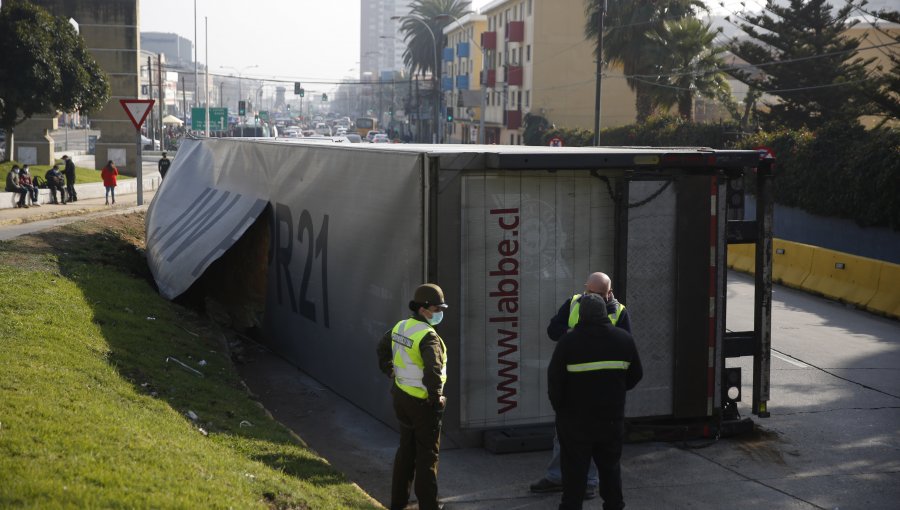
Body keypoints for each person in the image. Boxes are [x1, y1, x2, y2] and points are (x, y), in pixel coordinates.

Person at [531, 272, 632, 499]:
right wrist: (574, 337)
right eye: (590, 292)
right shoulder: (574, 303)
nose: (593, 297)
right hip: (575, 391)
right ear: (585, 288)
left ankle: (588, 483)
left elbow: (628, 352)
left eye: (598, 294)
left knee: (595, 442)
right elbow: (553, 330)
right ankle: (557, 477)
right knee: (564, 438)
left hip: (602, 394)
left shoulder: (620, 313)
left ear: (609, 293)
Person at [548, 293, 643, 510]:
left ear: (581, 314)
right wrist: (616, 393)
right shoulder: (623, 339)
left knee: (574, 472)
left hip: (575, 421)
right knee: (610, 470)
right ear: (604, 313)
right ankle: (614, 506)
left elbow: (554, 381)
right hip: (611, 419)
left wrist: (560, 409)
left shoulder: (568, 342)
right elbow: (636, 374)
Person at [376, 283, 449, 510]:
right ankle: (429, 506)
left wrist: (389, 369)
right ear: (424, 309)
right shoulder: (428, 337)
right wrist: (436, 397)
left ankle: (398, 503)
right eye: (437, 309)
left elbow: (382, 347)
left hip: (401, 398)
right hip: (423, 404)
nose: (440, 314)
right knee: (428, 457)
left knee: (406, 452)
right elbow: (433, 369)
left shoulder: (401, 326)